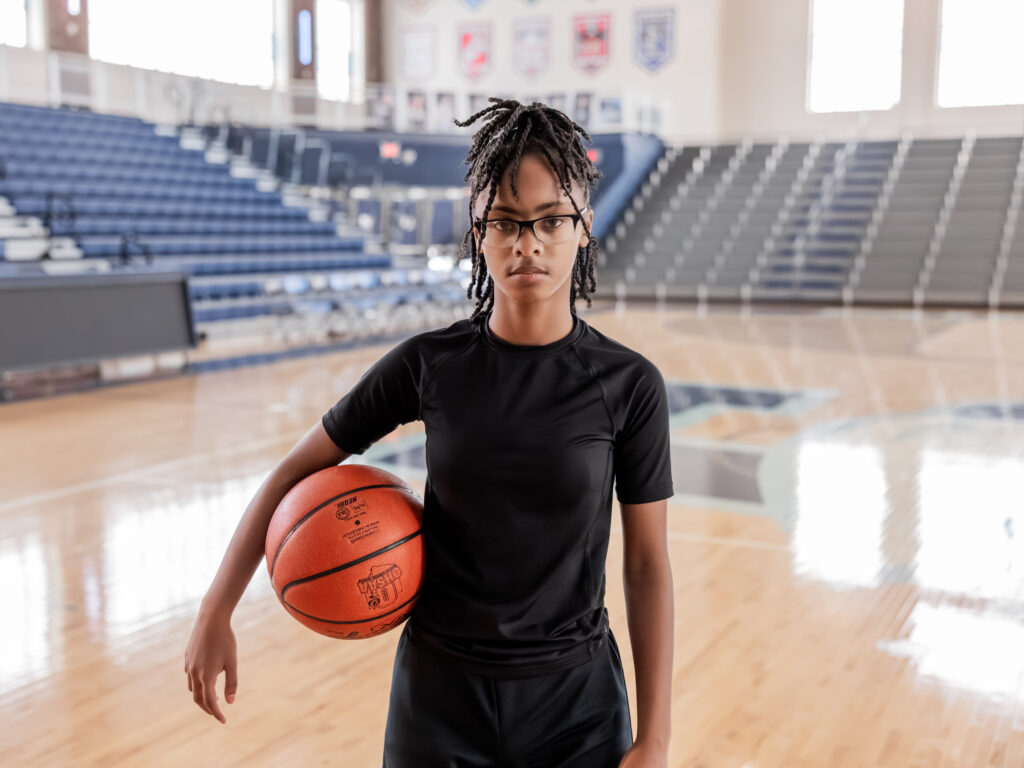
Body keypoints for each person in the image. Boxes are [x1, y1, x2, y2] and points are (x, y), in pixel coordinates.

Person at [184, 97, 675, 768]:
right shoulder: (429, 365)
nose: (527, 241)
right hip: (440, 697)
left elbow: (646, 566)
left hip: (576, 703)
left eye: (550, 221)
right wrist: (218, 607)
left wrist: (656, 737)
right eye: (504, 221)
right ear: (479, 230)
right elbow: (294, 473)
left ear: (583, 227)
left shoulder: (629, 385)